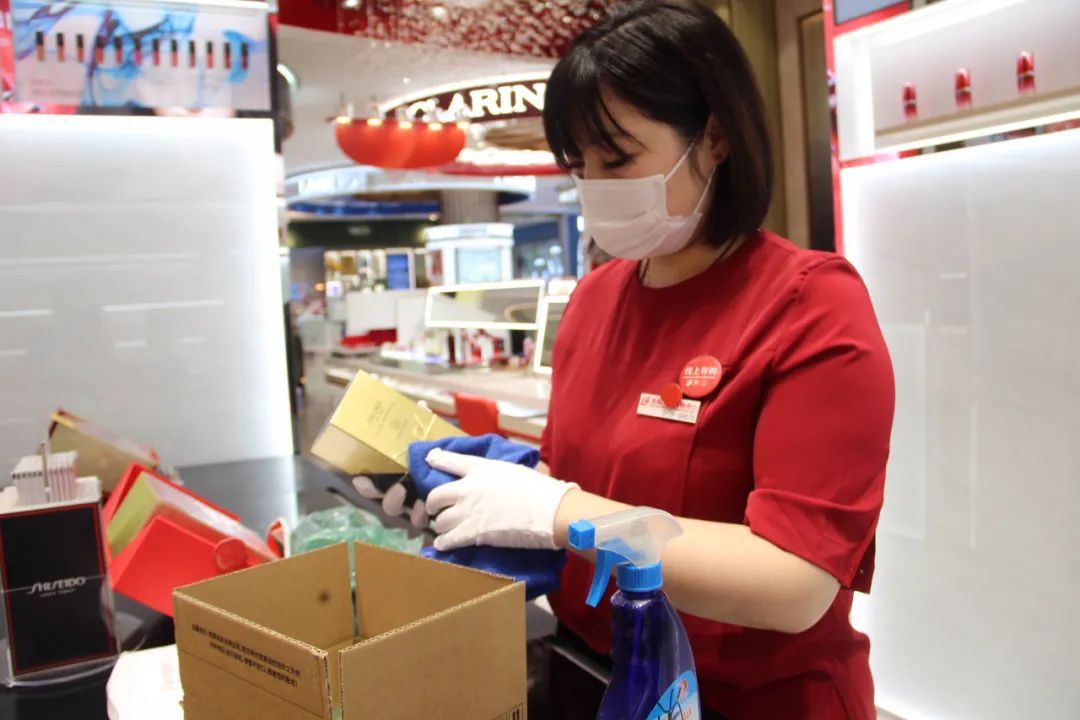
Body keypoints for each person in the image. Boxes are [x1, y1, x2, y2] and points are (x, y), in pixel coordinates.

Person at [360, 2, 895, 717]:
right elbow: (578, 483)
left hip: (750, 699)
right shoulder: (594, 298)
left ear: (715, 136)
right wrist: (482, 493)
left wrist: (558, 513)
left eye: (618, 160)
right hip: (600, 674)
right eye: (579, 167)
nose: (596, 188)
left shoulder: (810, 306)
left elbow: (794, 582)